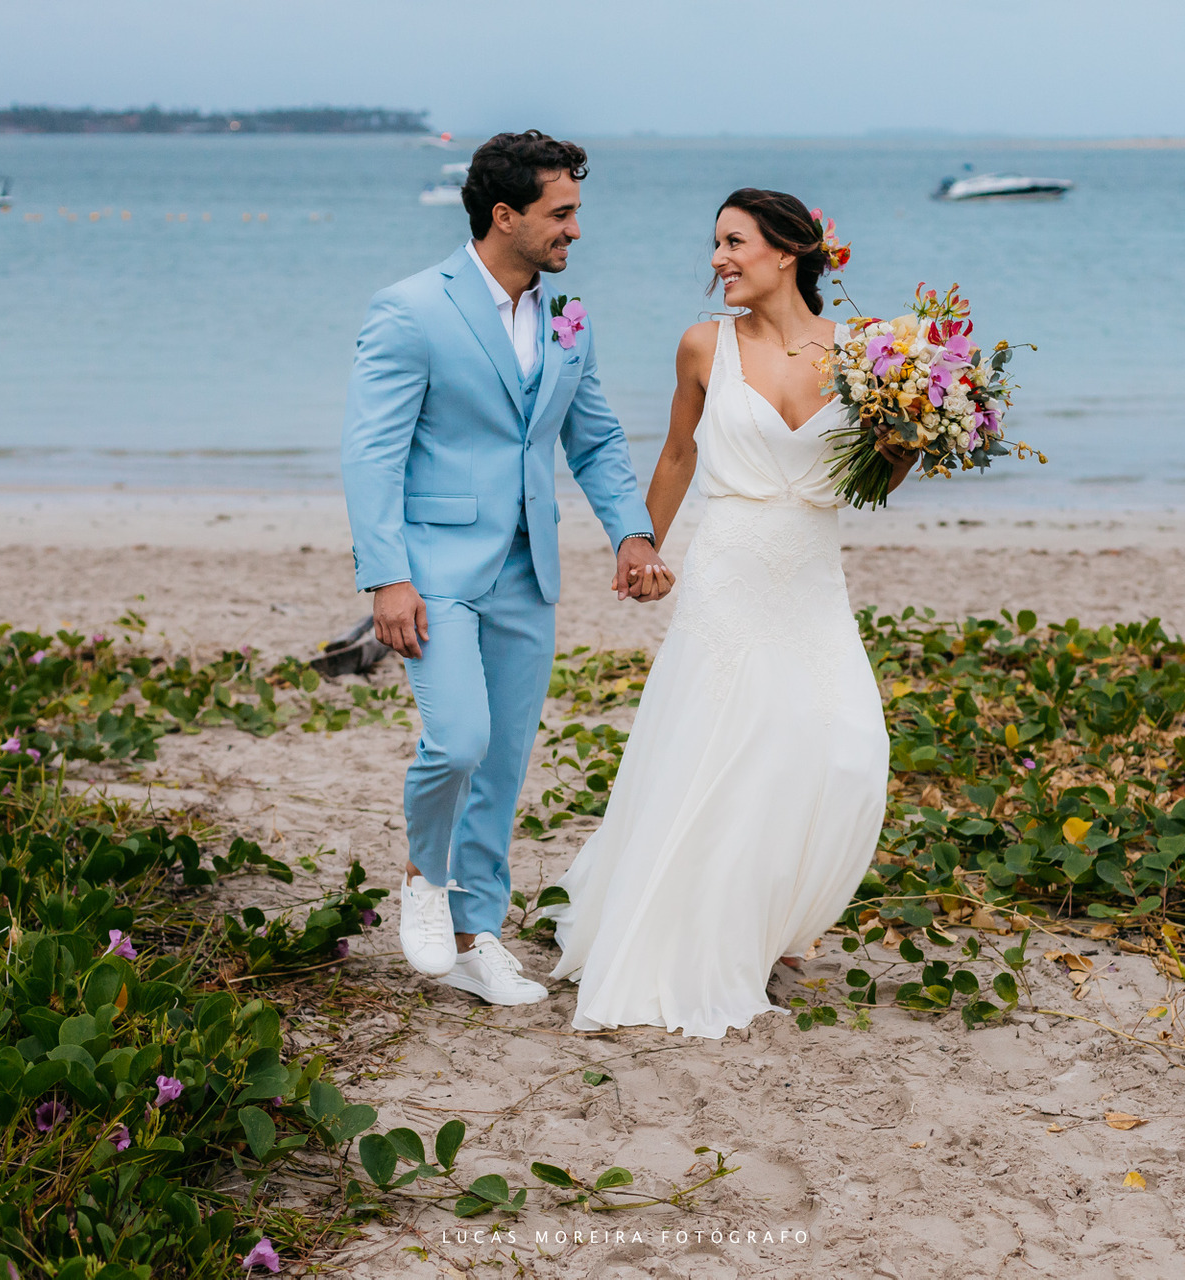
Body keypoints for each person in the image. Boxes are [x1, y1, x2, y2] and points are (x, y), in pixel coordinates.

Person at [544, 188, 915, 1037]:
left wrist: (917, 436)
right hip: (729, 569)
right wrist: (641, 545)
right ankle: (711, 935)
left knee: (848, 751)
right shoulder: (702, 345)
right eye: (716, 243)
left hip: (812, 575)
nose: (717, 259)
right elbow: (679, 453)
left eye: (734, 242)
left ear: (787, 251)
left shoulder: (867, 354)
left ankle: (767, 922)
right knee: (726, 750)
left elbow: (879, 480)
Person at [340, 130, 673, 1006]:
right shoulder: (412, 309)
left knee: (503, 765)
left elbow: (592, 437)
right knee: (458, 740)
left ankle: (475, 933)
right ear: (504, 215)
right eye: (560, 213)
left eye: (575, 212)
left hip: (530, 569)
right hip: (435, 569)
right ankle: (424, 876)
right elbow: (372, 452)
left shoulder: (569, 317)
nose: (575, 230)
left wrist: (632, 533)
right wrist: (387, 577)